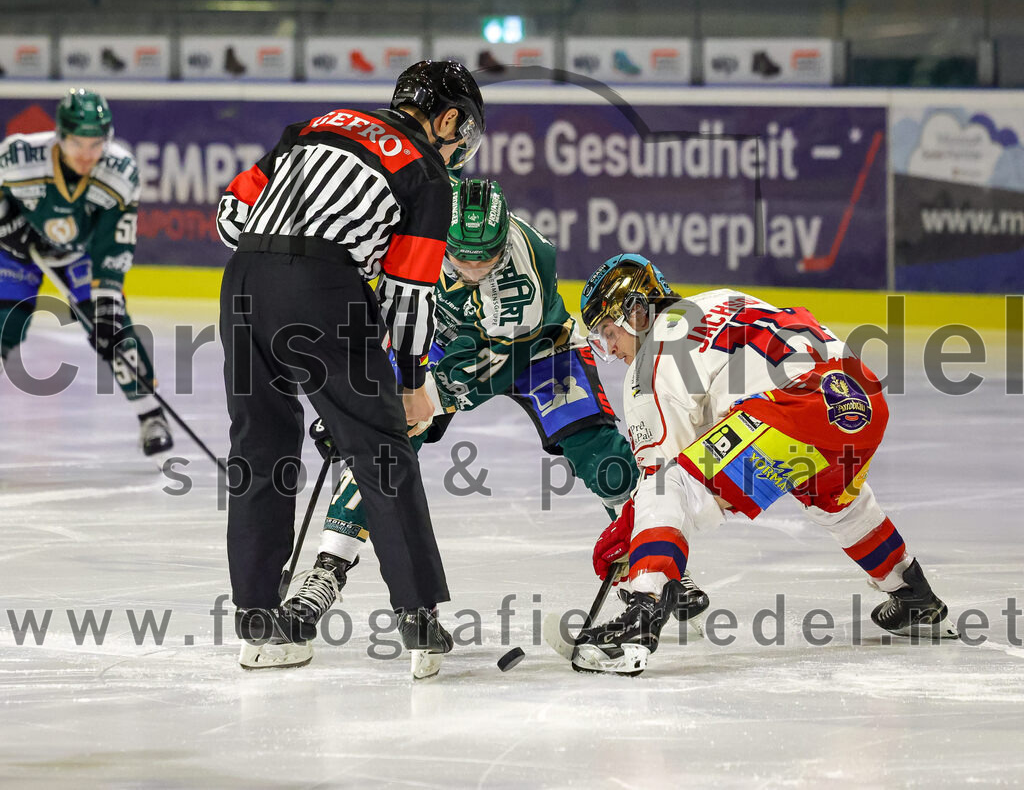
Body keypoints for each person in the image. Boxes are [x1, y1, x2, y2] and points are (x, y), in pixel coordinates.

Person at [215, 60, 485, 674]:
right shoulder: (426, 175)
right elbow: (408, 292)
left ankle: (259, 624)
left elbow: (230, 214)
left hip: (244, 282)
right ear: (446, 118)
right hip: (322, 292)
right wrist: (412, 383)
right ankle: (419, 623)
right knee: (382, 450)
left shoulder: (314, 125)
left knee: (259, 447)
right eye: (462, 130)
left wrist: (282, 253)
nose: (460, 144)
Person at [283, 178, 644, 634]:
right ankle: (326, 571)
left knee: (600, 452)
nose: (473, 266)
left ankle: (654, 557)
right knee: (380, 445)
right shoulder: (416, 222)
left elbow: (482, 376)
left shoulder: (526, 274)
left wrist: (407, 406)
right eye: (462, 255)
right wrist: (354, 402)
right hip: (437, 342)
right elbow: (374, 307)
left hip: (534, 350)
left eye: (486, 256)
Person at [572, 253, 959, 676]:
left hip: (794, 412)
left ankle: (638, 624)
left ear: (637, 312)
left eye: (609, 332)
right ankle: (913, 594)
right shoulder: (721, 298)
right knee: (832, 499)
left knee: (666, 487)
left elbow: (667, 483)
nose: (610, 348)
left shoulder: (650, 364)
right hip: (860, 399)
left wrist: (630, 535)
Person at [0, 88, 173, 458]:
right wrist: (4, 226)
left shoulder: (120, 172)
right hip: (16, 250)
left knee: (115, 329)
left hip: (77, 252)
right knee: (3, 326)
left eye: (97, 144)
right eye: (79, 143)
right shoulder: (17, 156)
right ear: (60, 135)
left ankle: (151, 414)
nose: (87, 155)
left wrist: (107, 308)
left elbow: (113, 248)